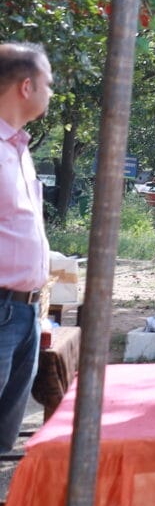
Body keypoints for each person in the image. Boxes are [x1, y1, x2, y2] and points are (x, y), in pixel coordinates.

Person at [0, 44, 52, 452]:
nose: (51, 92)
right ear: (27, 86)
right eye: (47, 84)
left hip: (25, 312)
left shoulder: (18, 150)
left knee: (3, 441)